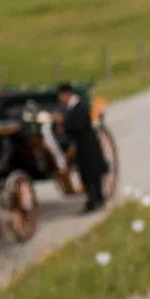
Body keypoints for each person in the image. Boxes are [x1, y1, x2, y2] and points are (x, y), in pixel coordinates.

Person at [55, 84, 108, 213]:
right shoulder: (73, 107)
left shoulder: (81, 107)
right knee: (88, 174)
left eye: (61, 96)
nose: (60, 100)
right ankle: (96, 199)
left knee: (91, 174)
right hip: (83, 146)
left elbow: (78, 125)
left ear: (67, 95)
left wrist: (63, 123)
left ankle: (94, 200)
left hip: (87, 146)